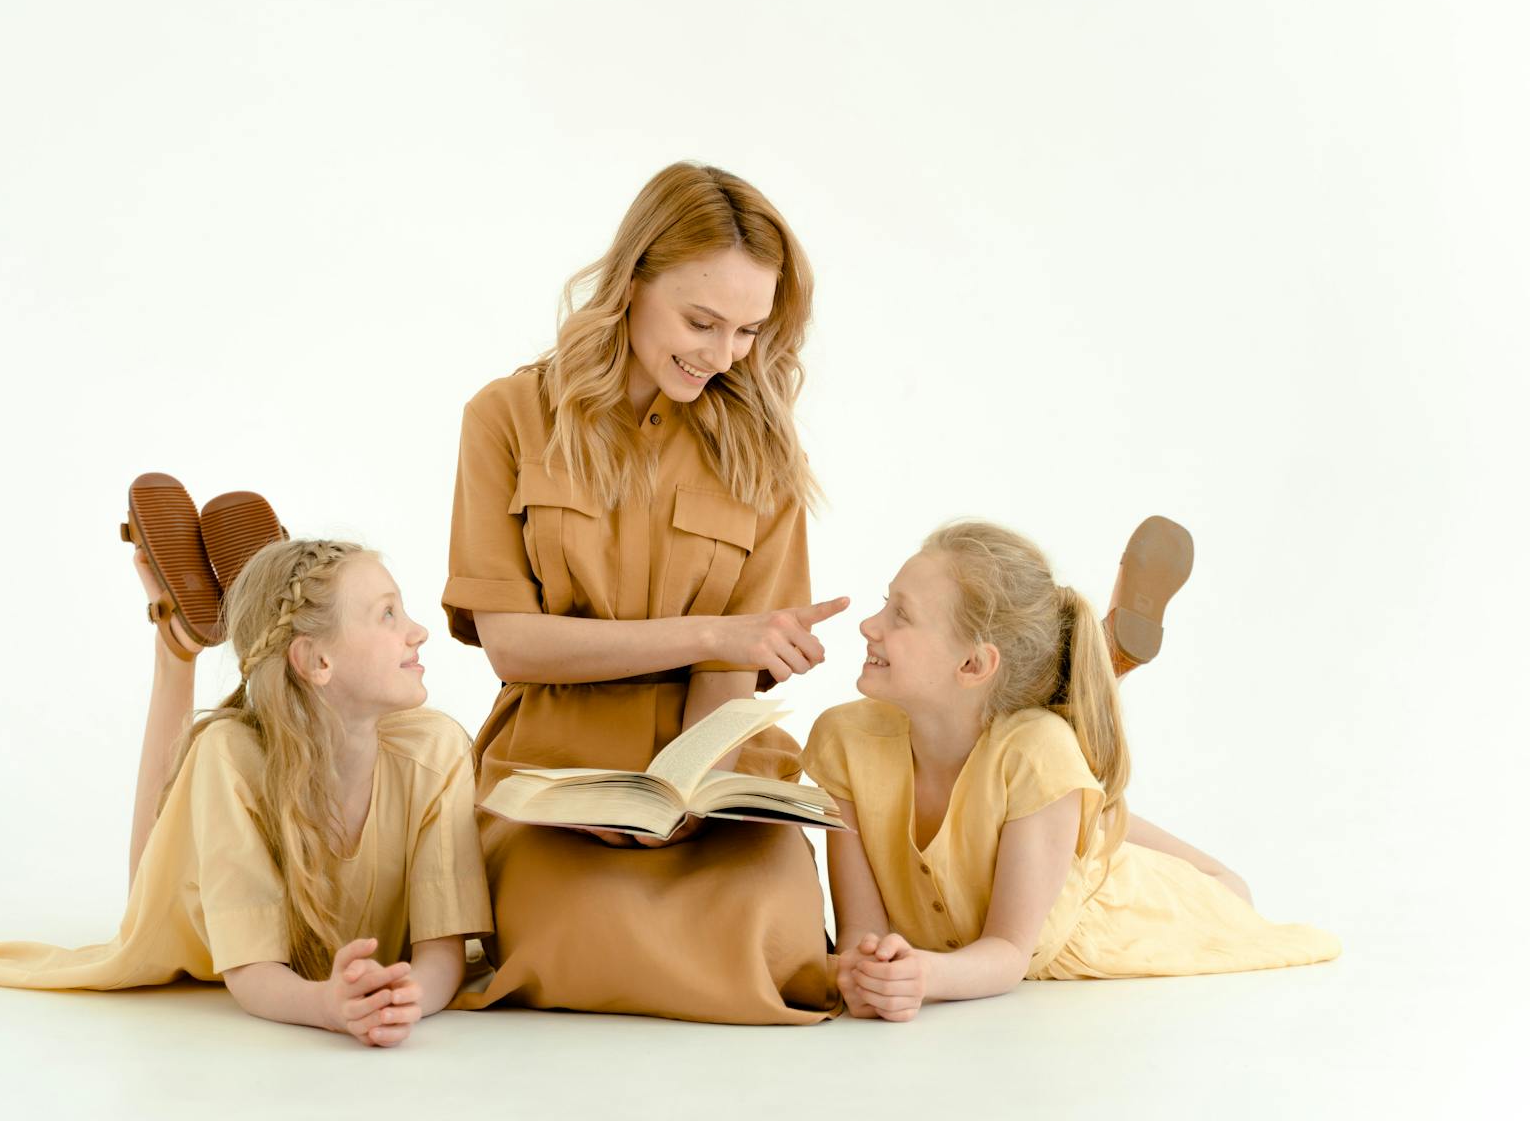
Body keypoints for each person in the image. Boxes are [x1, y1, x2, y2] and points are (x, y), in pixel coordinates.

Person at [443, 161, 848, 1023]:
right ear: (631, 282)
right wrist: (716, 633)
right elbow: (511, 642)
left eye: (747, 330)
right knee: (572, 939)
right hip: (551, 781)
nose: (721, 354)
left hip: (714, 777)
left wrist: (682, 800)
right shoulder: (506, 417)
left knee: (775, 943)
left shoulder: (764, 457)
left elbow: (731, 678)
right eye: (700, 320)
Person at [0, 480, 492, 1048]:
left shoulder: (437, 750)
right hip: (195, 909)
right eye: (388, 615)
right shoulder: (230, 756)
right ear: (318, 659)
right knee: (154, 890)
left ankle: (261, 591)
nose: (419, 631)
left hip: (295, 686)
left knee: (220, 756)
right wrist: (326, 1005)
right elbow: (251, 975)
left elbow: (442, 952)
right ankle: (177, 646)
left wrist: (406, 1000)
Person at [805, 520, 1340, 1022]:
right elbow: (859, 930)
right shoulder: (845, 742)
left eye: (901, 614)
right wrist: (863, 970)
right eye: (884, 603)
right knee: (1070, 796)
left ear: (972, 664)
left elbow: (1011, 953)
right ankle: (1099, 665)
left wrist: (926, 975)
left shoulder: (1037, 753)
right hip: (1033, 795)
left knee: (1230, 894)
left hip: (1108, 917)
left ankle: (1100, 665)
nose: (868, 625)